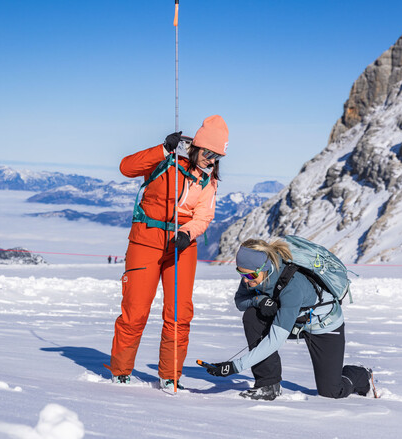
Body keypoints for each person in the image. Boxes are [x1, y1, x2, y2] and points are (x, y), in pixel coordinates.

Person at [105, 115, 228, 389]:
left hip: (181, 246)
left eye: (218, 156)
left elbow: (204, 216)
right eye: (209, 152)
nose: (212, 159)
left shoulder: (208, 181)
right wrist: (161, 149)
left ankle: (170, 376)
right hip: (145, 241)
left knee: (179, 315)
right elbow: (126, 167)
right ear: (197, 147)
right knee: (135, 310)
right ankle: (121, 371)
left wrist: (187, 233)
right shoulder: (166, 159)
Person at [201, 238, 373, 400]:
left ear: (265, 267)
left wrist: (234, 367)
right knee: (252, 316)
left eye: (251, 276)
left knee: (331, 391)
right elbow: (240, 301)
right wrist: (259, 300)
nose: (246, 280)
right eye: (241, 274)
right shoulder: (251, 275)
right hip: (294, 322)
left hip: (324, 326)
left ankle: (361, 374)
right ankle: (268, 385)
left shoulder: (293, 285)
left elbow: (275, 340)